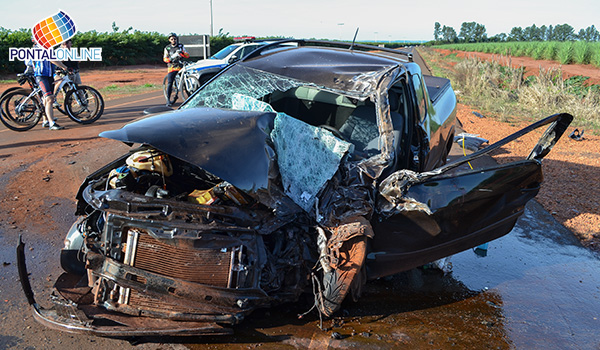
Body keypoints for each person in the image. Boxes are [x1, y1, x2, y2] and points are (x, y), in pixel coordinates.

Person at [34, 56, 69, 130]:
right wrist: (64, 67)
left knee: (47, 99)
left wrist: (59, 66)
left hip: (49, 75)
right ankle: (51, 123)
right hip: (41, 76)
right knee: (49, 98)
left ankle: (46, 120)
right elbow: (51, 59)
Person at [163, 32, 189, 106]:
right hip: (172, 67)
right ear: (169, 40)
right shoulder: (167, 48)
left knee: (185, 80)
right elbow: (165, 58)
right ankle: (168, 99)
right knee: (170, 82)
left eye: (174, 39)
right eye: (172, 39)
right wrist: (170, 59)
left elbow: (187, 55)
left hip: (181, 66)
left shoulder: (181, 46)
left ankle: (189, 96)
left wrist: (182, 53)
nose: (173, 40)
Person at [53, 39, 81, 106]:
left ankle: (82, 103)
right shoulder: (57, 51)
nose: (71, 45)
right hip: (64, 73)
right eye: (69, 44)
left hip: (74, 71)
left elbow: (79, 60)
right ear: (65, 44)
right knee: (66, 90)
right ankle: (68, 105)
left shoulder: (73, 50)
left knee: (77, 88)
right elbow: (59, 62)